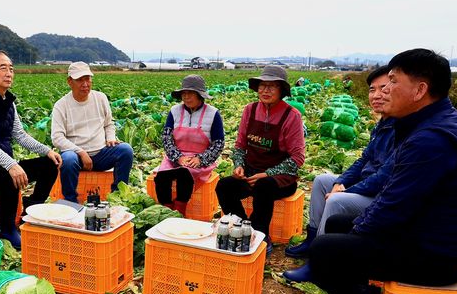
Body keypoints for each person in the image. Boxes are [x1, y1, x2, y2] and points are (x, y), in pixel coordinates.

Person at [308, 49, 457, 294]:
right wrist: (355, 228)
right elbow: (395, 195)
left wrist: (355, 235)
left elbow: (393, 206)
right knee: (337, 224)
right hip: (423, 231)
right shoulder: (429, 124)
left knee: (325, 252)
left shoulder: (432, 140)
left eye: (392, 81)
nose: (385, 90)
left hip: (437, 254)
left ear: (420, 90)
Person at [283, 66, 394, 280]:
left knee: (336, 201)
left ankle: (319, 263)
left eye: (385, 88)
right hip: (366, 185)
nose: (377, 95)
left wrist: (346, 189)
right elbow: (363, 160)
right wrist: (341, 181)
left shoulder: (403, 129)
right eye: (373, 89)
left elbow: (384, 178)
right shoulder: (382, 124)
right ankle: (312, 238)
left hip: (379, 194)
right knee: (322, 181)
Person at [0, 50, 62, 249]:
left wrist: (47, 151)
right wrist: (11, 164)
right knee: (9, 177)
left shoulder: (9, 103)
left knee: (49, 165)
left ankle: (30, 211)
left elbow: (20, 135)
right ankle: (5, 228)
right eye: (3, 68)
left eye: (11, 69)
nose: (9, 73)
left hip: (4, 167)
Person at [215, 65, 305, 249]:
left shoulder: (291, 116)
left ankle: (261, 235)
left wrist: (268, 173)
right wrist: (239, 165)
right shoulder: (250, 110)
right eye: (262, 85)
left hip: (280, 179)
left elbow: (297, 158)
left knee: (263, 187)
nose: (265, 90)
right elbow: (240, 146)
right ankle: (242, 228)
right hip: (251, 172)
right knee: (224, 186)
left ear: (282, 90)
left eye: (272, 86)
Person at [51, 62, 133, 203]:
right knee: (68, 160)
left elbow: (109, 124)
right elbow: (57, 138)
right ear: (69, 81)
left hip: (101, 154)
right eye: (80, 80)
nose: (85, 84)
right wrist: (81, 152)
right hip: (76, 157)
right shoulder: (61, 105)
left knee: (126, 150)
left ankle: (118, 197)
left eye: (87, 79)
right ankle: (71, 202)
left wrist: (111, 137)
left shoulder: (100, 98)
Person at [154, 75, 224, 216]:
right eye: (183, 94)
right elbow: (167, 138)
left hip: (199, 159)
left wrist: (201, 159)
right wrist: (178, 157)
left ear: (200, 95)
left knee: (184, 174)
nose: (186, 97)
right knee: (161, 177)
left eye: (190, 93)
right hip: (176, 157)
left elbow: (218, 143)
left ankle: (180, 212)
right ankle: (167, 212)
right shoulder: (174, 111)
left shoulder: (213, 114)